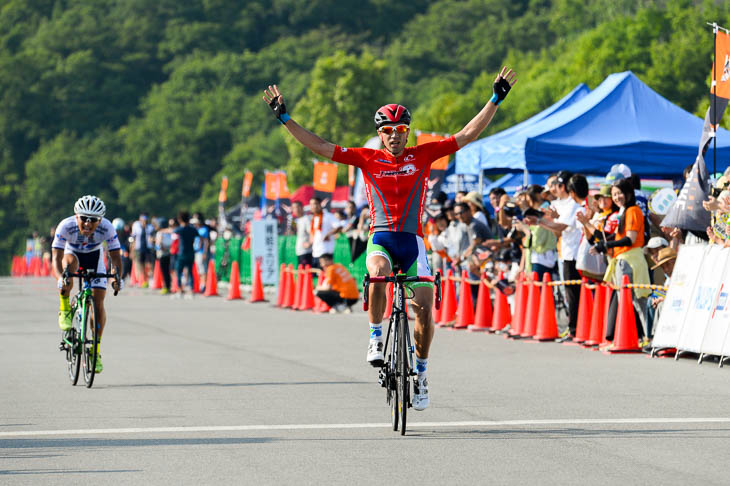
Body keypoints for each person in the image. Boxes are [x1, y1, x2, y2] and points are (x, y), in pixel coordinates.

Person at [263, 66, 517, 410]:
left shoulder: (422, 155)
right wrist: (285, 119)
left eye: (400, 130)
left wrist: (495, 99)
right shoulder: (367, 158)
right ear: (380, 135)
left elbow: (466, 134)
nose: (394, 136)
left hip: (413, 241)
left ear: (408, 133)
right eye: (387, 131)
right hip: (381, 238)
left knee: (425, 313)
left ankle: (422, 374)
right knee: (379, 273)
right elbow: (321, 147)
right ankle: (375, 337)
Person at [53, 195, 122, 374]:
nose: (88, 224)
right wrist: (61, 278)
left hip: (94, 257)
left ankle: (95, 351)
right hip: (72, 254)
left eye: (93, 220)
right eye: (84, 219)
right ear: (77, 217)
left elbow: (115, 256)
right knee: (68, 270)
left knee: (98, 303)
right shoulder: (65, 226)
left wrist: (116, 277)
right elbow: (56, 257)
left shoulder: (108, 227)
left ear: (100, 220)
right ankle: (65, 308)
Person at [590, 177, 651, 347]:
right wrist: (601, 243)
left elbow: (629, 240)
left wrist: (605, 245)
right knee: (631, 301)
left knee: (636, 301)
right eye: (614, 194)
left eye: (620, 193)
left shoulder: (632, 211)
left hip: (630, 260)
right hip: (624, 259)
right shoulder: (623, 211)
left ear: (629, 193)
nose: (617, 197)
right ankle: (639, 338)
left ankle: (646, 338)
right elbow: (616, 237)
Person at [526, 171, 584, 341]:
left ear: (564, 186)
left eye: (557, 185)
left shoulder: (572, 204)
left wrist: (539, 222)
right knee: (569, 292)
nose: (554, 189)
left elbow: (560, 228)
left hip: (572, 254)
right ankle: (573, 327)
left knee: (573, 293)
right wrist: (546, 219)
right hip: (563, 252)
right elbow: (557, 226)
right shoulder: (559, 203)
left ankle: (574, 328)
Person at [173, 211, 199, 299]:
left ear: (180, 219)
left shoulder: (180, 229)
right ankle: (192, 290)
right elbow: (199, 237)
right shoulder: (192, 229)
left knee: (179, 272)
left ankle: (180, 290)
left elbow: (174, 231)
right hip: (191, 252)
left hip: (182, 253)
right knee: (190, 272)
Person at [309, 197, 337, 269]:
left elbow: (339, 226)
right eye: (311, 204)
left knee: (326, 276)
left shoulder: (327, 216)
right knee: (317, 276)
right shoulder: (314, 218)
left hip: (325, 252)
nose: (313, 206)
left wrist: (328, 234)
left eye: (315, 204)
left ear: (320, 204)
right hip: (316, 251)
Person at [131, 213, 154, 287]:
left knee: (149, 264)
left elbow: (152, 237)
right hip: (140, 248)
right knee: (141, 265)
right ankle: (144, 280)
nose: (143, 221)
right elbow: (133, 239)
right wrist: (132, 250)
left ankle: (150, 278)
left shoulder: (150, 227)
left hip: (148, 248)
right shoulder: (136, 226)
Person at [292, 201, 313, 267]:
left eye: (298, 207)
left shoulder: (306, 219)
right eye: (294, 208)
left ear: (302, 208)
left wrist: (309, 243)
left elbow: (312, 233)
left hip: (306, 252)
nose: (296, 210)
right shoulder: (297, 220)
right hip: (300, 251)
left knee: (306, 274)